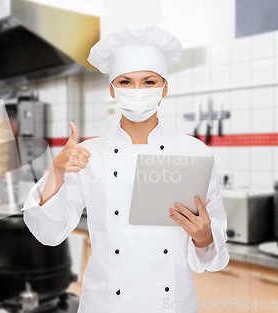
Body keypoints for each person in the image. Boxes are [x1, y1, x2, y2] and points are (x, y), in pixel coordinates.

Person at [21, 23, 229, 313]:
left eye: (149, 82)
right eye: (126, 82)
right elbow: (49, 232)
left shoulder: (194, 152)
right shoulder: (88, 154)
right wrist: (56, 170)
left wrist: (204, 235)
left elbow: (214, 248)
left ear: (164, 88)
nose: (137, 90)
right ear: (112, 89)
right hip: (106, 304)